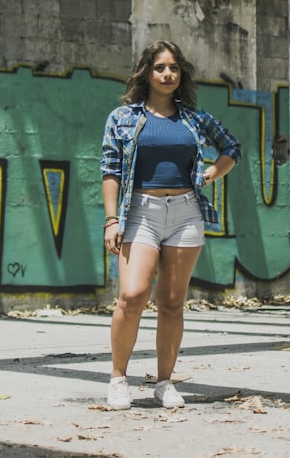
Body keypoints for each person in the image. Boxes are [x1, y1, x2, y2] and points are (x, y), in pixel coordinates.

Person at [100, 40, 241, 410]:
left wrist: (211, 173)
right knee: (132, 297)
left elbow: (231, 147)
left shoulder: (193, 118)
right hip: (140, 213)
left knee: (173, 302)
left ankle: (164, 382)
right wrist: (111, 219)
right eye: (160, 67)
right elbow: (110, 170)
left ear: (182, 74)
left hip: (185, 213)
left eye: (174, 68)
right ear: (146, 72)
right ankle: (118, 379)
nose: (167, 74)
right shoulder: (123, 118)